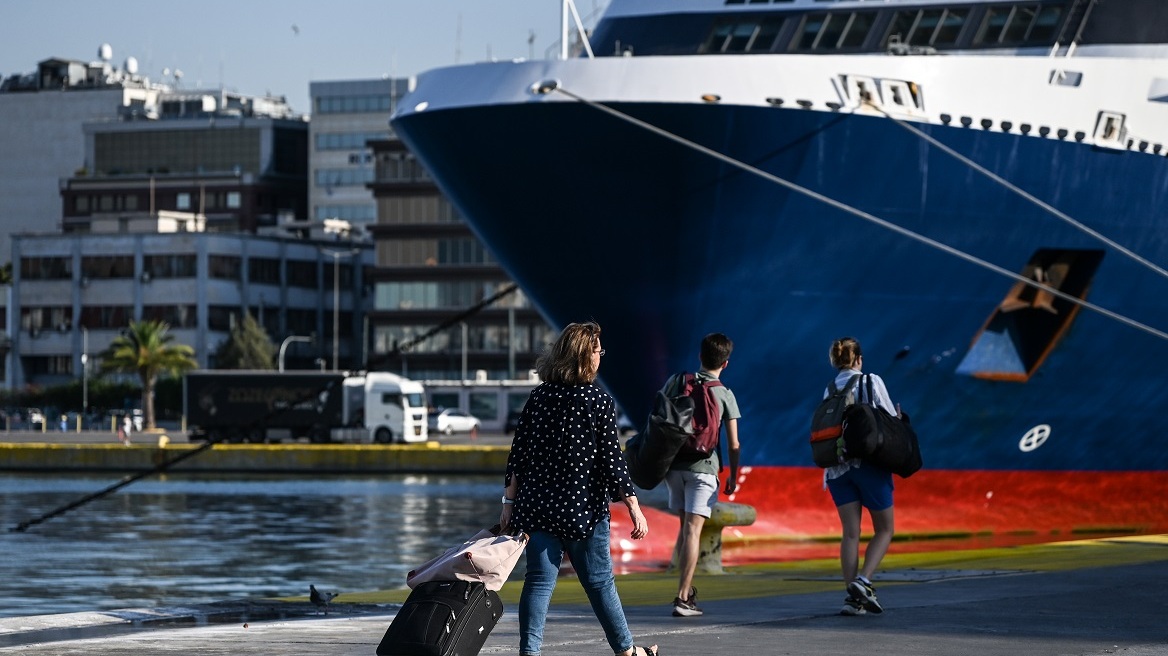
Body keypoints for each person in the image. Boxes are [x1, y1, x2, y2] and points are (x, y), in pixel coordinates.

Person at [500, 321, 658, 656]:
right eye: (599, 351)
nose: (602, 356)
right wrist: (634, 508)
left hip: (538, 508)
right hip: (583, 510)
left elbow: (519, 455)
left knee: (539, 583)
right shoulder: (597, 400)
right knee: (600, 583)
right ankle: (627, 652)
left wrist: (508, 503)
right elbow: (612, 461)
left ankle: (530, 652)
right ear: (585, 358)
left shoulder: (538, 398)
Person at [662, 333, 740, 618]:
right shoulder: (724, 394)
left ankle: (687, 589)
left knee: (685, 530)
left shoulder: (678, 382)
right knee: (693, 531)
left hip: (675, 467)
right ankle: (683, 598)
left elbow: (658, 418)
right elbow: (733, 443)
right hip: (704, 469)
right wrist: (733, 474)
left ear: (700, 357)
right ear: (726, 363)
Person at [823, 337, 899, 616]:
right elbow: (889, 416)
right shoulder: (870, 380)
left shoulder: (830, 388)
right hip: (868, 465)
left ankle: (852, 600)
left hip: (836, 470)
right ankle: (863, 581)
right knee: (885, 529)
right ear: (859, 359)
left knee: (851, 533)